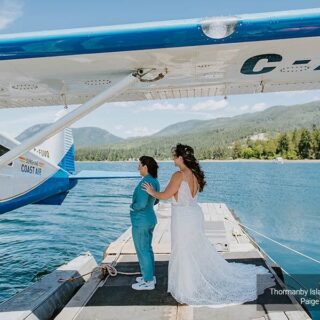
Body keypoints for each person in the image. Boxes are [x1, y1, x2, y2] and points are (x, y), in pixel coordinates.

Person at [143, 143, 275, 306]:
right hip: (194, 214)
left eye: (174, 156)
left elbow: (165, 195)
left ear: (180, 158)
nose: (172, 159)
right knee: (193, 247)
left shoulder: (178, 175)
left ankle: (187, 288)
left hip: (183, 217)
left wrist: (151, 192)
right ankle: (193, 282)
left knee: (183, 249)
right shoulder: (195, 175)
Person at [130, 156, 160, 291]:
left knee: (142, 250)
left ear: (145, 167)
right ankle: (149, 276)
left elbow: (141, 204)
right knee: (147, 249)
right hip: (150, 218)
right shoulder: (154, 181)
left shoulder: (145, 183)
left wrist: (133, 206)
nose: (138, 168)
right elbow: (157, 200)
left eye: (139, 165)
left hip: (141, 221)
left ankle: (148, 282)